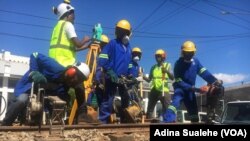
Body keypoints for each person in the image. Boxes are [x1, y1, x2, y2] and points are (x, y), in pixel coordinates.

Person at [1, 52, 90, 126]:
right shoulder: (54, 67)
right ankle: (5, 124)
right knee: (21, 100)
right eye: (75, 75)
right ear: (71, 69)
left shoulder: (63, 86)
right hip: (28, 87)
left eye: (78, 80)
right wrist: (34, 71)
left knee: (60, 102)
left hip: (41, 97)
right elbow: (35, 55)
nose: (74, 80)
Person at [163, 41, 222, 123]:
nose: (188, 55)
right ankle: (167, 121)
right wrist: (196, 89)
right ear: (182, 52)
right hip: (180, 89)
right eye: (186, 53)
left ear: (194, 52)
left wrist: (214, 81)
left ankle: (195, 123)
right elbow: (179, 81)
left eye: (190, 53)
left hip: (191, 91)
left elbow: (203, 72)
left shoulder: (196, 62)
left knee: (193, 109)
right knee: (175, 103)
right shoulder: (178, 64)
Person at [97, 19, 132, 123]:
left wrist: (131, 74)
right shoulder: (112, 43)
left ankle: (125, 120)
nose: (122, 34)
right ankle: (103, 122)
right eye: (120, 31)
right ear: (117, 32)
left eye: (124, 32)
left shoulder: (128, 47)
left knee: (126, 99)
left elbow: (129, 63)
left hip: (123, 78)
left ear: (128, 34)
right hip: (112, 77)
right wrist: (110, 71)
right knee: (108, 100)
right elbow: (102, 59)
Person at [49, 2, 90, 67]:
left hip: (52, 63)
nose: (74, 17)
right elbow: (78, 44)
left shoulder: (56, 27)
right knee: (85, 70)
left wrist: (87, 46)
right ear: (67, 14)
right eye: (73, 15)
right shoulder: (68, 25)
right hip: (65, 64)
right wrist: (85, 39)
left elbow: (73, 49)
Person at [143, 49, 174, 119]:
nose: (157, 58)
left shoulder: (167, 65)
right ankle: (148, 123)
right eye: (156, 56)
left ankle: (168, 122)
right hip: (154, 89)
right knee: (150, 109)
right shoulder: (153, 67)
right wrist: (143, 76)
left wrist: (166, 71)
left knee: (167, 108)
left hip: (164, 89)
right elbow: (149, 80)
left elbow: (172, 77)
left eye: (159, 56)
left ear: (163, 57)